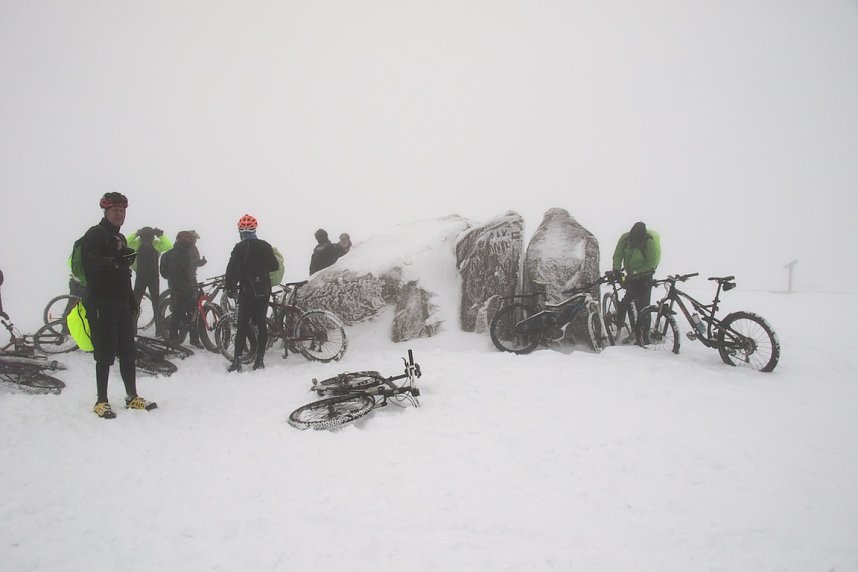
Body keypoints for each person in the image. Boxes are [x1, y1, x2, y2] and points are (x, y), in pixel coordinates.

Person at [80, 192, 157, 419]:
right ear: (106, 211)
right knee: (104, 353)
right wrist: (112, 262)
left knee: (127, 351)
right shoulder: (96, 233)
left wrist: (132, 300)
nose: (119, 214)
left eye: (122, 211)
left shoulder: (120, 237)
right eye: (115, 210)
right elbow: (88, 262)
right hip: (101, 302)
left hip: (121, 302)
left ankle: (132, 396)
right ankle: (101, 401)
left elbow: (124, 273)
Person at [224, 214, 279, 372]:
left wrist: (230, 287)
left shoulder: (240, 247)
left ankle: (237, 362)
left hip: (247, 291)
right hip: (264, 290)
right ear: (255, 229)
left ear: (240, 231)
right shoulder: (265, 245)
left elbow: (231, 269)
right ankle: (259, 361)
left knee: (242, 325)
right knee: (261, 324)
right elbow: (274, 266)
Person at [611, 221, 661, 341]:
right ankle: (634, 330)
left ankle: (645, 334)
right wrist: (617, 269)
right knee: (628, 300)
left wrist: (638, 273)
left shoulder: (649, 241)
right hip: (630, 276)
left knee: (644, 306)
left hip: (645, 276)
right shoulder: (625, 239)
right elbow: (618, 255)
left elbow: (652, 263)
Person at [162, 230, 207, 348]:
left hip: (189, 285)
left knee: (193, 312)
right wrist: (179, 288)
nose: (192, 242)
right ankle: (173, 339)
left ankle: (194, 339)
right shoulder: (176, 254)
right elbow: (174, 273)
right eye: (190, 240)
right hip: (179, 288)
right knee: (178, 313)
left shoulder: (186, 252)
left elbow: (191, 266)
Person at [127, 226, 172, 335]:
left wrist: (137, 234)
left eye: (148, 238)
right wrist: (159, 235)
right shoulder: (150, 243)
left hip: (147, 277)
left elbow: (169, 245)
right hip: (148, 277)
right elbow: (126, 243)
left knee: (142, 304)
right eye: (144, 238)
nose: (146, 241)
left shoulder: (152, 243)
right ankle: (157, 331)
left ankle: (156, 331)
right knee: (147, 304)